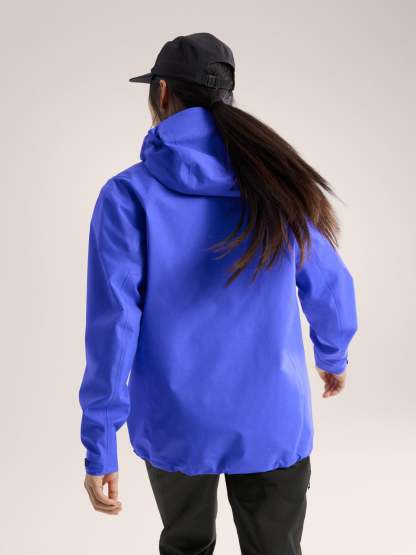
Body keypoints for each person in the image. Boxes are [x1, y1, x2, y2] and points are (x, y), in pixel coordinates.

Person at [78, 32, 358, 554]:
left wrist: (100, 445)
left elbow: (113, 326)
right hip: (272, 418)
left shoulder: (127, 196)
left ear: (163, 92)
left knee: (185, 545)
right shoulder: (279, 185)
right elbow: (330, 285)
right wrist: (332, 355)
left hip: (174, 423)